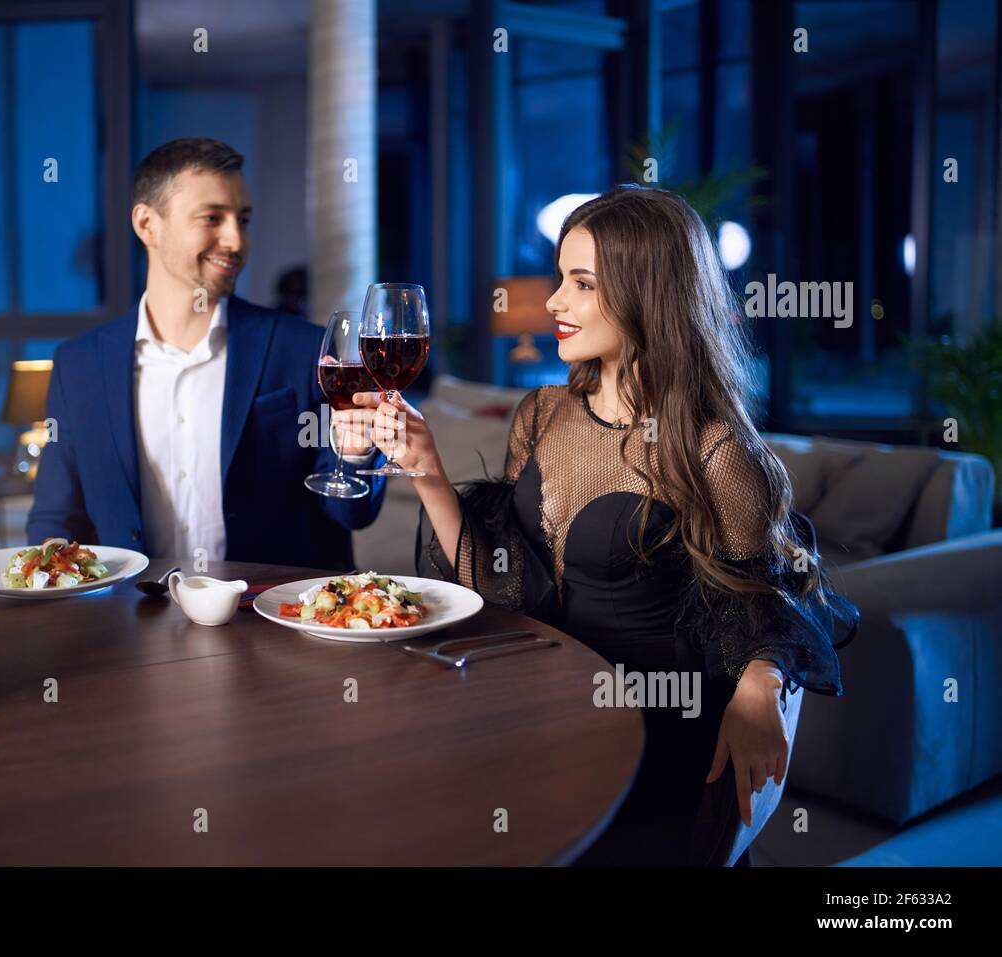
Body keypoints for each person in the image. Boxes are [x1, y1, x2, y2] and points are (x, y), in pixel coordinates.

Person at [341, 185, 859, 865]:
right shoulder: (543, 414)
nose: (554, 301)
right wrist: (428, 468)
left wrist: (761, 683)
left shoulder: (715, 451)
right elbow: (504, 585)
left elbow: (775, 599)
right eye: (561, 278)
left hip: (650, 743)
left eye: (580, 283)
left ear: (648, 293)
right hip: (538, 711)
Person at [28, 138, 385, 568]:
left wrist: (358, 449)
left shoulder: (306, 350)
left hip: (274, 620)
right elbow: (56, 516)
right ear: (147, 224)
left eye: (244, 220)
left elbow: (352, 512)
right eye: (212, 218)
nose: (235, 240)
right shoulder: (77, 365)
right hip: (127, 623)